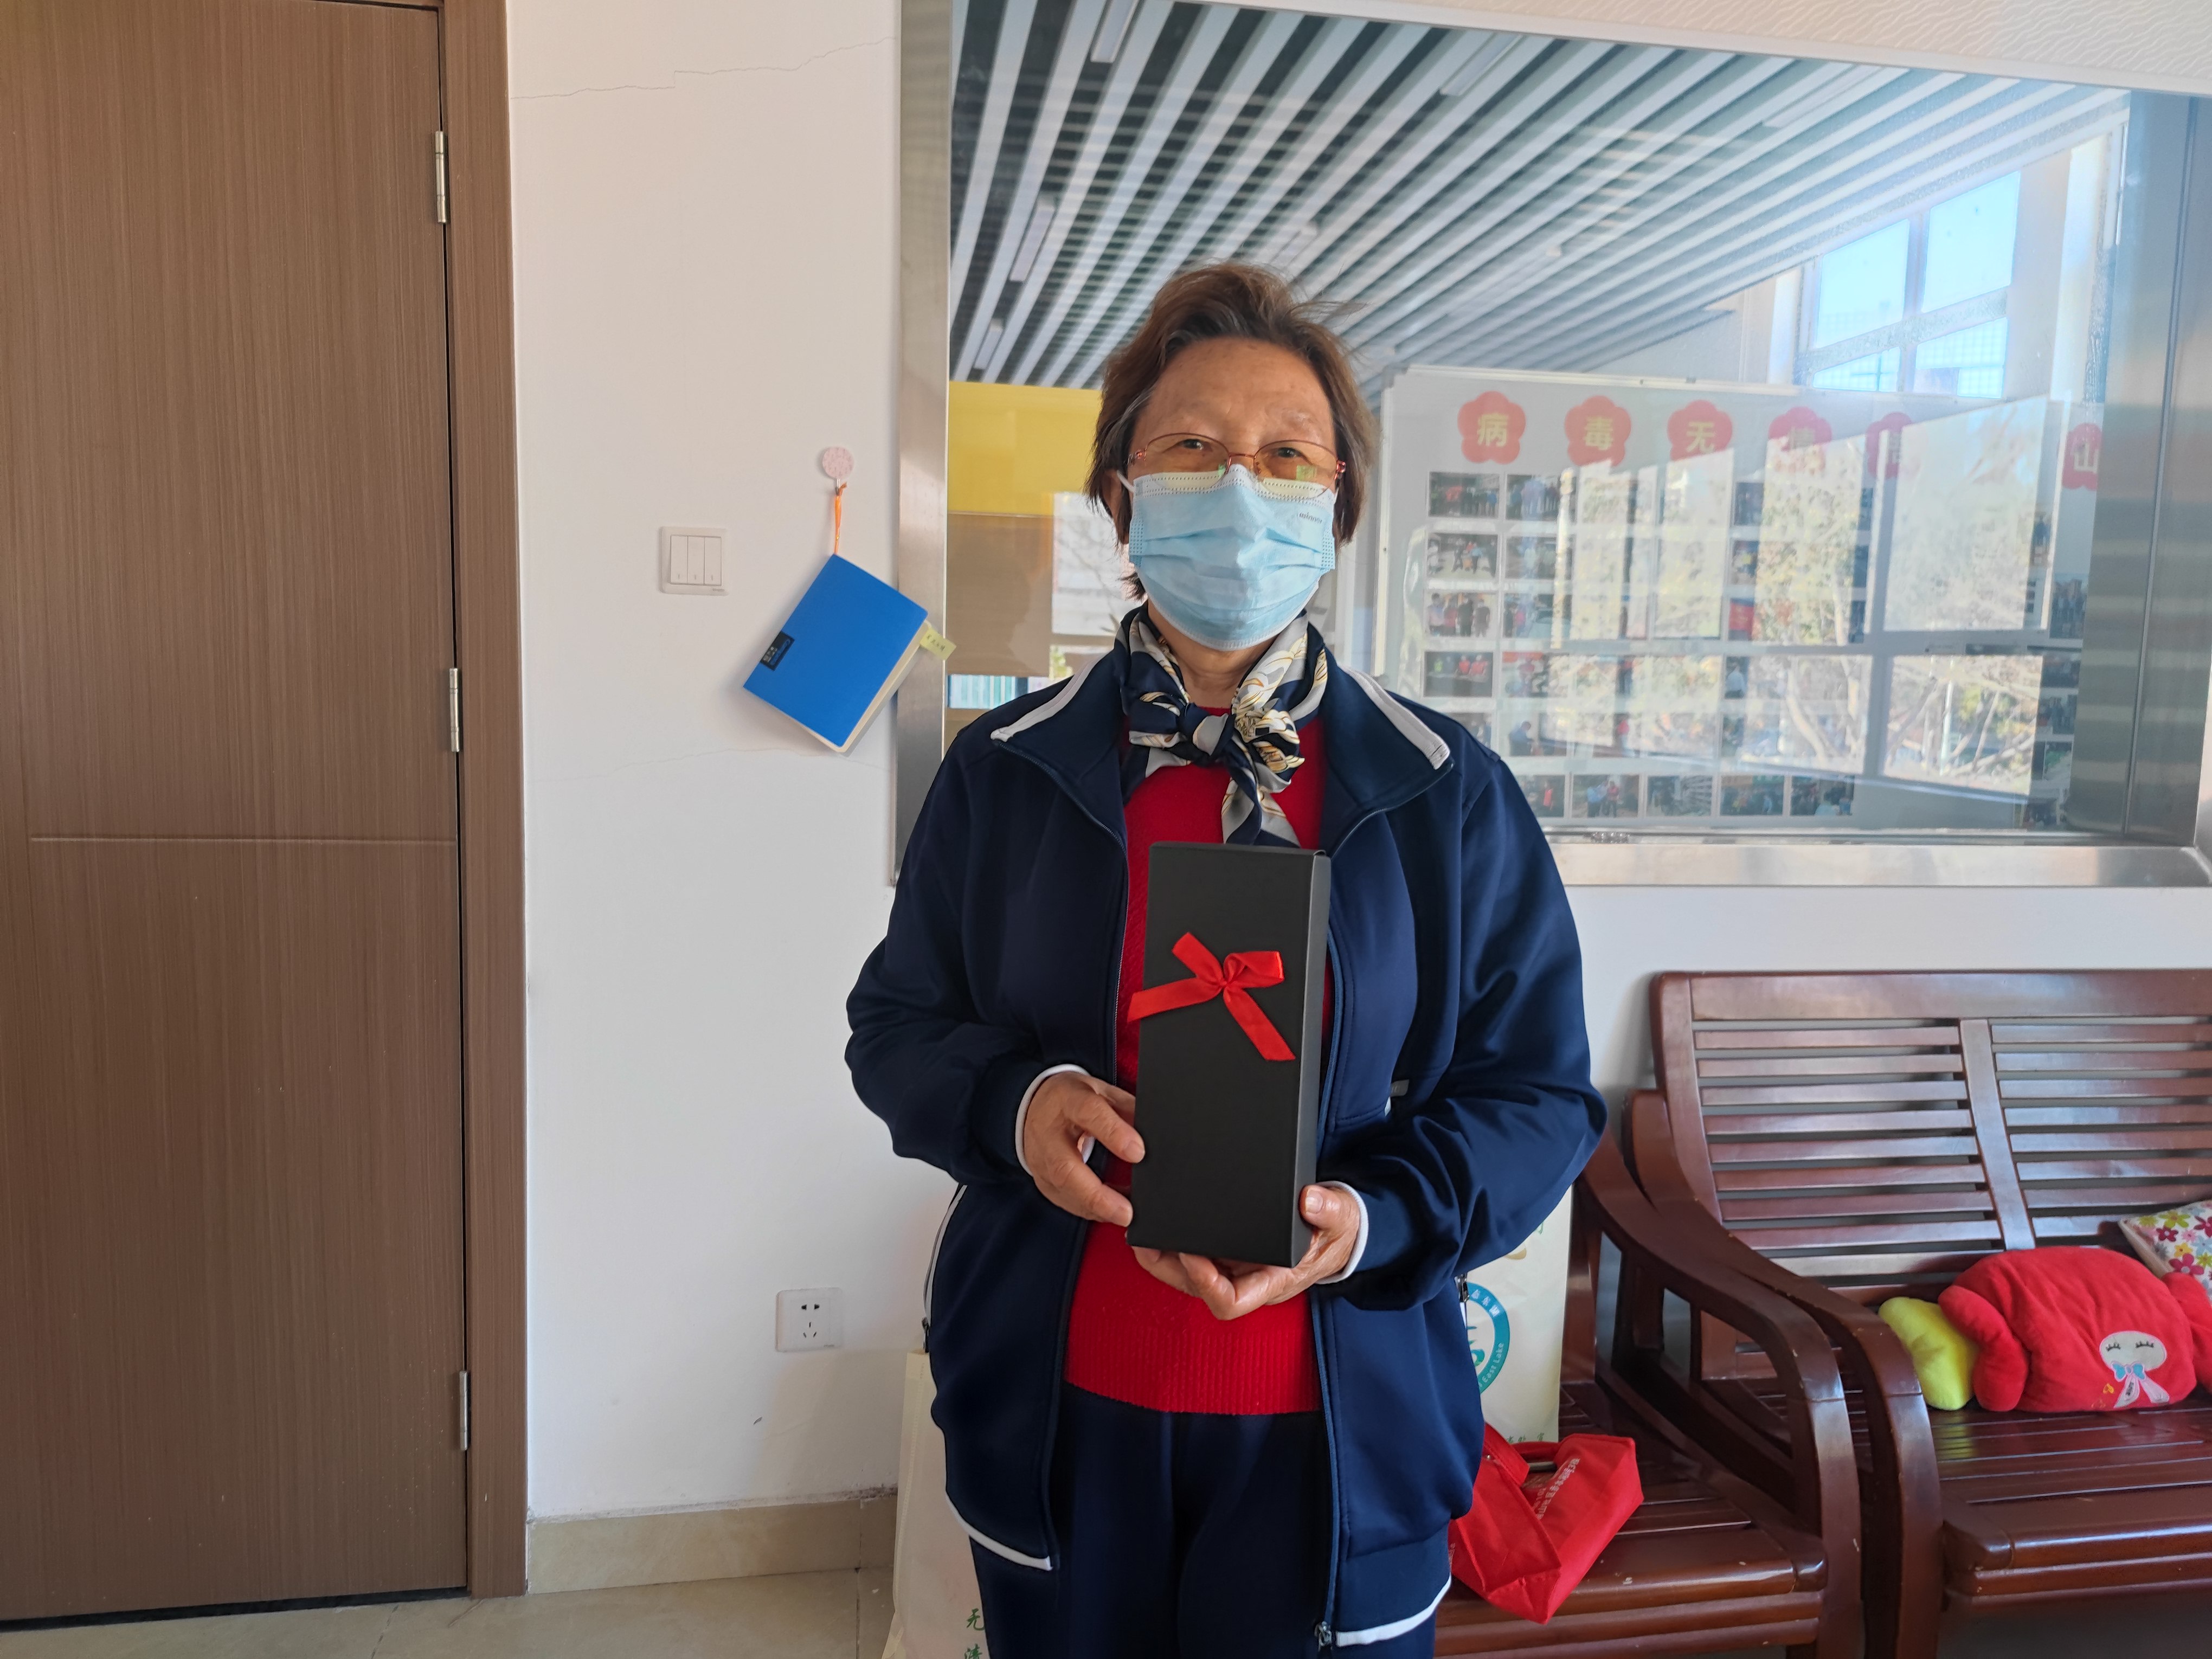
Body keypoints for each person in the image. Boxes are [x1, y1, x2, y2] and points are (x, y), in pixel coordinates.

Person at [847, 265, 1604, 1659]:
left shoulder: (1444, 794)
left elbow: (1540, 1097)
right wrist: (1020, 1105)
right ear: (1123, 494)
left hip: (1348, 1432)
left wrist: (1373, 1218)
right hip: (1060, 1413)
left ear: (1338, 506)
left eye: (1287, 455)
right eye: (1194, 446)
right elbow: (896, 1027)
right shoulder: (1006, 773)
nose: (1242, 487)